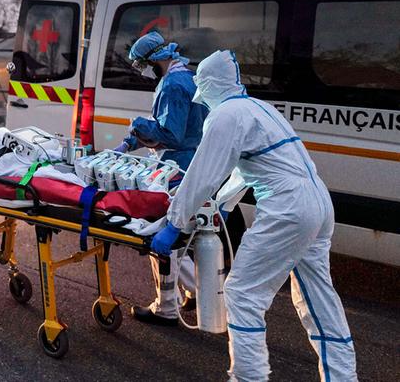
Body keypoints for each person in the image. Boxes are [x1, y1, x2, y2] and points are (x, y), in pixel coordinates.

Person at [152, 50, 357, 381]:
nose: (203, 102)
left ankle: (248, 377)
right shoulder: (259, 108)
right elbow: (244, 169)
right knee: (318, 299)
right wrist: (220, 205)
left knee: (242, 293)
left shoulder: (226, 116)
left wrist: (174, 224)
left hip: (288, 207)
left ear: (210, 87)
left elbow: (202, 173)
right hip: (318, 201)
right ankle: (343, 377)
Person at [112, 31, 208, 327]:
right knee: (175, 237)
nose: (145, 72)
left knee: (161, 237)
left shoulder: (172, 85)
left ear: (156, 59)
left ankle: (194, 298)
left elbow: (170, 134)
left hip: (178, 168)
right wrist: (130, 143)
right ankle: (175, 301)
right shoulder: (187, 78)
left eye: (144, 65)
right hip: (191, 164)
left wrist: (136, 127)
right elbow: (171, 128)